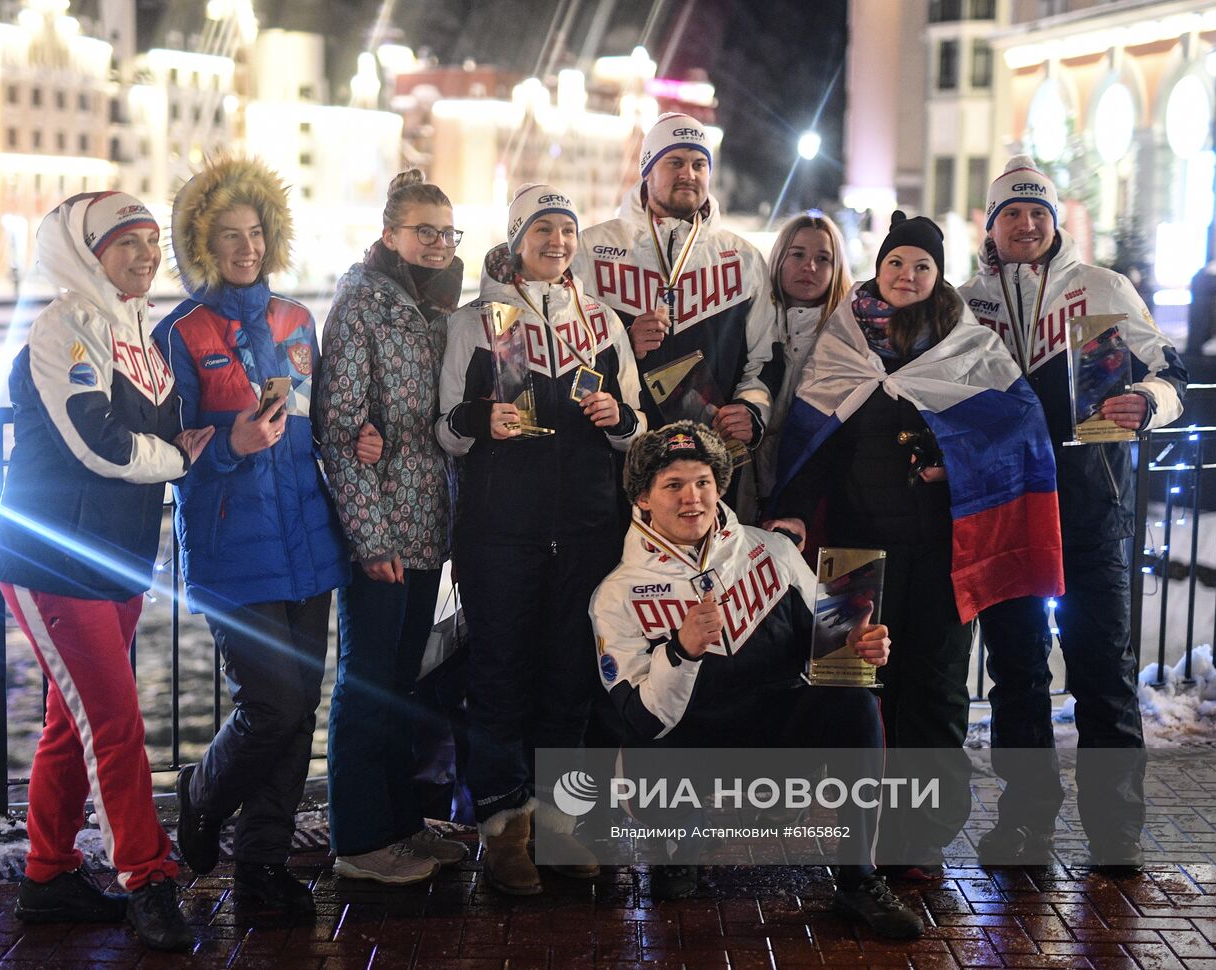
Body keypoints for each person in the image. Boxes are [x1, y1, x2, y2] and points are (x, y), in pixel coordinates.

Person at [768, 211, 1064, 878]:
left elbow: (1015, 435)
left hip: (940, 556)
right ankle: (853, 840)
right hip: (849, 554)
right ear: (880, 267)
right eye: (897, 262)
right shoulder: (843, 340)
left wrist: (953, 463)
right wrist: (789, 513)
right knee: (850, 691)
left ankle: (919, 838)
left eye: (922, 266)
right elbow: (812, 439)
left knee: (931, 694)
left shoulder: (968, 347)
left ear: (937, 276)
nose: (907, 275)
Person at [589, 421, 922, 938]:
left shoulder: (775, 550)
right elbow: (638, 721)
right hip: (685, 753)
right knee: (646, 756)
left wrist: (864, 647)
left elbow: (834, 647)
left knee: (855, 703)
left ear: (719, 486)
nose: (691, 498)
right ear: (643, 499)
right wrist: (681, 651)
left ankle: (858, 878)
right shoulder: (616, 594)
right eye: (672, 485)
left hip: (777, 743)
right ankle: (681, 842)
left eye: (702, 481)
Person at [0, 191, 213, 952]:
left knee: (68, 722)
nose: (147, 255)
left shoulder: (132, 332)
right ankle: (148, 882)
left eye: (153, 243)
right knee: (113, 723)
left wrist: (209, 438)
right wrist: (178, 456)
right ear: (89, 253)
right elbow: (100, 442)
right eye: (128, 243)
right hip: (54, 561)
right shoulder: (64, 328)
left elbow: (150, 429)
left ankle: (47, 877)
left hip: (112, 559)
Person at [959, 156, 1189, 871]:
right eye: (1012, 214)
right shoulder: (966, 305)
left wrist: (1149, 403)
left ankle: (1116, 829)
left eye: (1038, 213)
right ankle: (1024, 822)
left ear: (1055, 222)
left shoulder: (1102, 290)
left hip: (1092, 510)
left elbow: (1170, 371)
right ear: (990, 227)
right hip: (1007, 512)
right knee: (1017, 673)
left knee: (1103, 671)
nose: (1026, 225)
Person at [154, 156, 350, 916]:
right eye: (229, 235)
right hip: (234, 549)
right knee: (270, 704)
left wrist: (356, 439)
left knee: (299, 710)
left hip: (307, 542)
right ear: (203, 244)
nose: (246, 246)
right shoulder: (180, 333)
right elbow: (173, 455)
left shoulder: (296, 321)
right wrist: (230, 445)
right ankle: (201, 797)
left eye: (256, 232)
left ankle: (262, 868)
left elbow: (318, 422)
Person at [436, 183, 645, 895]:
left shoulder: (602, 321)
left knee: (571, 677)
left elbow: (636, 429)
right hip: (501, 533)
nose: (557, 241)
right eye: (542, 230)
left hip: (589, 528)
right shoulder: (477, 322)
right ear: (517, 239)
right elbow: (444, 429)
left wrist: (618, 414)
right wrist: (478, 420)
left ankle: (563, 821)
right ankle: (504, 827)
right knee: (499, 676)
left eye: (566, 230)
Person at [315, 169, 468, 884]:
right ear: (390, 234)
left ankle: (402, 823)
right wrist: (369, 539)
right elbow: (342, 432)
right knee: (368, 682)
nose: (438, 244)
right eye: (424, 232)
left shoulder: (436, 308)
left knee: (405, 682)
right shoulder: (361, 307)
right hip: (382, 530)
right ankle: (358, 839)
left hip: (427, 522)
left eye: (446, 232)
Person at [571, 112, 776, 511]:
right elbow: (563, 350)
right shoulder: (592, 250)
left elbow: (767, 359)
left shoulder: (743, 258)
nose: (689, 174)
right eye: (675, 162)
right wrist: (623, 348)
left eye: (700, 164)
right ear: (647, 170)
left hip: (709, 466)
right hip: (615, 458)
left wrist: (752, 411)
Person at [754, 212, 852, 510]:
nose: (809, 266)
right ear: (779, 258)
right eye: (798, 254)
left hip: (817, 491)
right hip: (750, 478)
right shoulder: (751, 323)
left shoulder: (851, 335)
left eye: (824, 258)